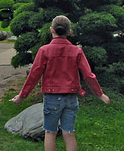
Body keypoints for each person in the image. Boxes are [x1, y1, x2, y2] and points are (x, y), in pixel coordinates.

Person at [11, 15, 110, 151]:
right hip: (71, 97)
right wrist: (100, 94)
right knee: (69, 133)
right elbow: (88, 75)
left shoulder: (44, 50)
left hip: (51, 97)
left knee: (50, 133)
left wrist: (22, 96)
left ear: (51, 30)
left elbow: (33, 76)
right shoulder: (77, 51)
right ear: (69, 32)